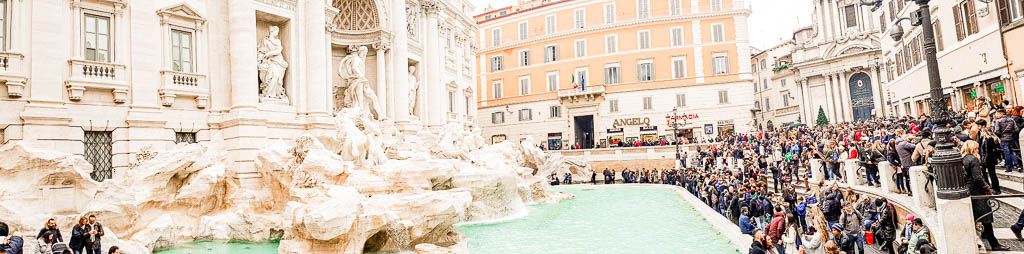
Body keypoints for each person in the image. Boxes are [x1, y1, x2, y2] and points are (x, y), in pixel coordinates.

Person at [963, 140, 1009, 251]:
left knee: (980, 215)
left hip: (970, 189)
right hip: (977, 191)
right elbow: (977, 178)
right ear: (973, 149)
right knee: (986, 216)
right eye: (977, 148)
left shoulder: (964, 159)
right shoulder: (973, 159)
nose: (978, 150)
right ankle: (994, 244)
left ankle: (986, 236)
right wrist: (987, 189)